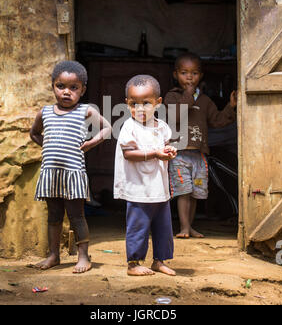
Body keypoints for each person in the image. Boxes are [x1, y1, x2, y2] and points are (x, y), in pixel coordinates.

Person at [30, 60, 111, 273]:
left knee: (77, 216)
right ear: (53, 86)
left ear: (82, 90)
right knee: (54, 216)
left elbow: (108, 129)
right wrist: (47, 146)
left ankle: (83, 256)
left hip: (73, 174)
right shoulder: (45, 113)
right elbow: (34, 134)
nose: (67, 92)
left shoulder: (85, 111)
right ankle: (53, 255)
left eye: (73, 88)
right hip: (51, 174)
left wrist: (91, 143)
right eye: (61, 86)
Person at [164, 52, 237, 239]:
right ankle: (183, 227)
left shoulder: (205, 101)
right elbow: (175, 117)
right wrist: (188, 96)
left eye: (194, 73)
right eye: (184, 73)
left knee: (195, 192)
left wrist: (230, 106)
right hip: (179, 154)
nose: (189, 77)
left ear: (201, 76)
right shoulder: (171, 97)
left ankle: (190, 225)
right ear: (175, 75)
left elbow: (218, 121)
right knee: (183, 191)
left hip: (199, 155)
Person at [114, 75, 177, 276]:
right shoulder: (129, 127)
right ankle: (133, 263)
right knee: (138, 227)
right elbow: (128, 154)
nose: (140, 109)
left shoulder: (162, 127)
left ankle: (160, 260)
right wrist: (155, 154)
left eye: (146, 103)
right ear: (127, 104)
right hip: (138, 188)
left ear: (158, 103)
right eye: (134, 104)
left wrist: (168, 151)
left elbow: (164, 147)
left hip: (159, 187)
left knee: (163, 228)